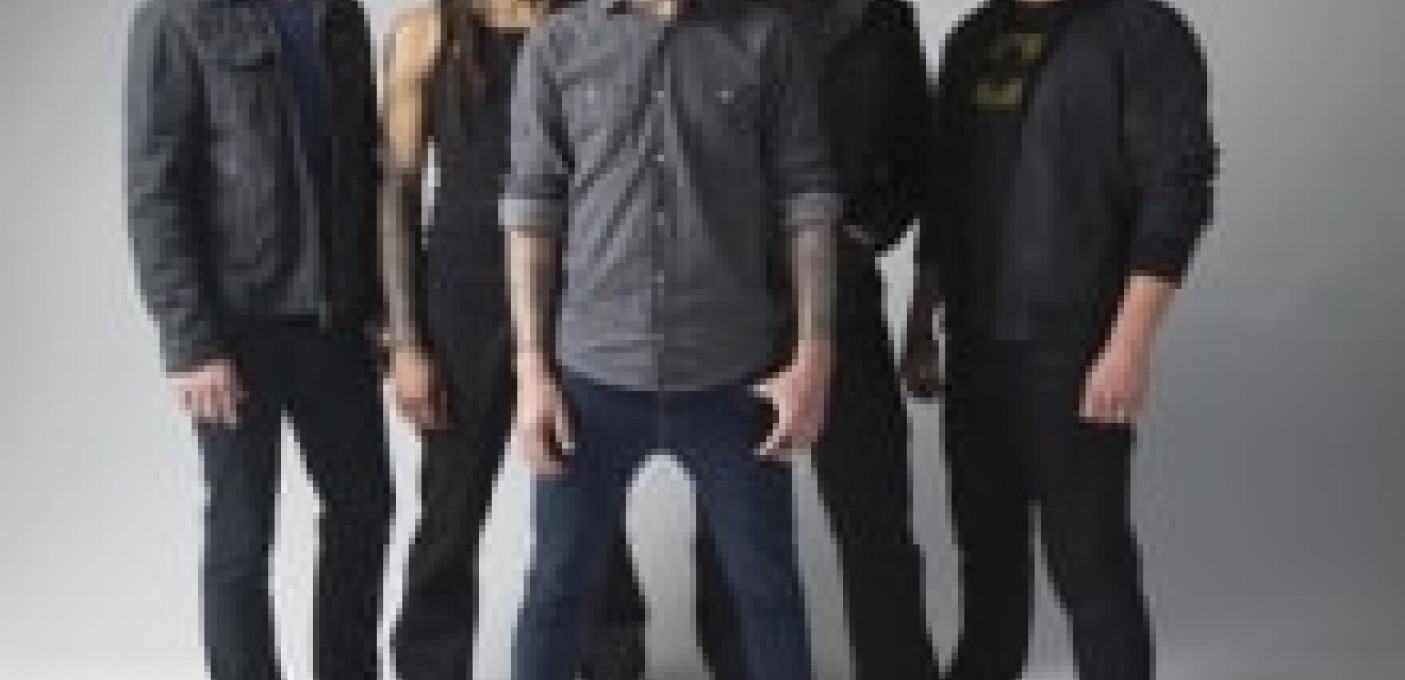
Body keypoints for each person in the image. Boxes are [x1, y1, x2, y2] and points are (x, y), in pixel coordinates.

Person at [500, 0, 843, 677]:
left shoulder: (766, 39)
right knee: (558, 590)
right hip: (592, 380)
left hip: (734, 380)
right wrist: (531, 370)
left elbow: (806, 199)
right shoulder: (558, 45)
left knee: (767, 593)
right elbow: (532, 211)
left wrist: (814, 356)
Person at [903, 1, 1218, 679]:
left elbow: (1177, 190)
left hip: (1074, 345)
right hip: (974, 340)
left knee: (1089, 561)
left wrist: (1129, 345)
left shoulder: (1141, 32)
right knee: (986, 557)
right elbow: (943, 194)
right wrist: (920, 322)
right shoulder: (971, 39)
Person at [378, 1, 648, 678]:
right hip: (462, 301)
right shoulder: (426, 33)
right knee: (451, 511)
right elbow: (396, 196)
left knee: (592, 506)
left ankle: (612, 664)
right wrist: (405, 342)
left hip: (576, 293)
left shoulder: (590, 27)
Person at [124, 1, 391, 679]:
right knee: (243, 534)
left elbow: (361, 164)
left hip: (336, 320)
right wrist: (191, 342)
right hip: (236, 327)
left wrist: (378, 302)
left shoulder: (340, 14)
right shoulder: (177, 17)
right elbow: (156, 189)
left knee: (364, 510)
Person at [692, 1, 939, 679]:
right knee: (730, 523)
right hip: (735, 301)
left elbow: (919, 154)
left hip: (844, 294)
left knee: (873, 514)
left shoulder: (881, 16)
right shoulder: (709, 13)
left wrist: (864, 233)